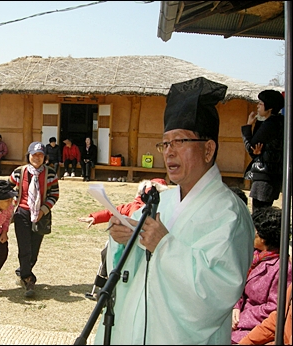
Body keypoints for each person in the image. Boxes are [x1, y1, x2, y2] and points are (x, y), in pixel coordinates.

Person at [94, 76, 255, 344]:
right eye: (165, 144)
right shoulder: (162, 203)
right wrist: (122, 238)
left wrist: (164, 245)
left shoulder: (229, 214)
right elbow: (125, 265)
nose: (168, 152)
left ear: (208, 149)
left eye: (179, 142)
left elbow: (215, 294)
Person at [78, 178, 168, 297]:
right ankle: (105, 283)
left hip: (146, 249)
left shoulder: (163, 211)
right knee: (106, 253)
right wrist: (95, 217)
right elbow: (113, 211)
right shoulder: (134, 205)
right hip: (124, 243)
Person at [231, 207, 292, 344]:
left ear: (264, 239)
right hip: (235, 315)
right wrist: (235, 307)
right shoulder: (253, 256)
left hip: (253, 326)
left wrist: (241, 318)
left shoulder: (282, 269)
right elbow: (237, 283)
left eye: (255, 233)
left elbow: (274, 308)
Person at [8, 141, 59, 297]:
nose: (37, 158)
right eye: (34, 154)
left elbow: (54, 194)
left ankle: (22, 271)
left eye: (40, 155)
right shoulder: (19, 172)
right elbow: (8, 189)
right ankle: (28, 279)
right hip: (22, 212)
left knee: (34, 249)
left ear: (45, 157)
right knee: (24, 248)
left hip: (40, 215)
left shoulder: (50, 173)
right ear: (28, 155)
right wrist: (14, 202)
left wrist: (43, 210)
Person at [242, 89, 284, 213]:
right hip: (272, 174)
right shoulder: (278, 122)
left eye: (261, 103)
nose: (258, 106)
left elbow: (251, 147)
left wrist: (248, 126)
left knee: (259, 213)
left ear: (269, 107)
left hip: (265, 174)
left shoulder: (271, 124)